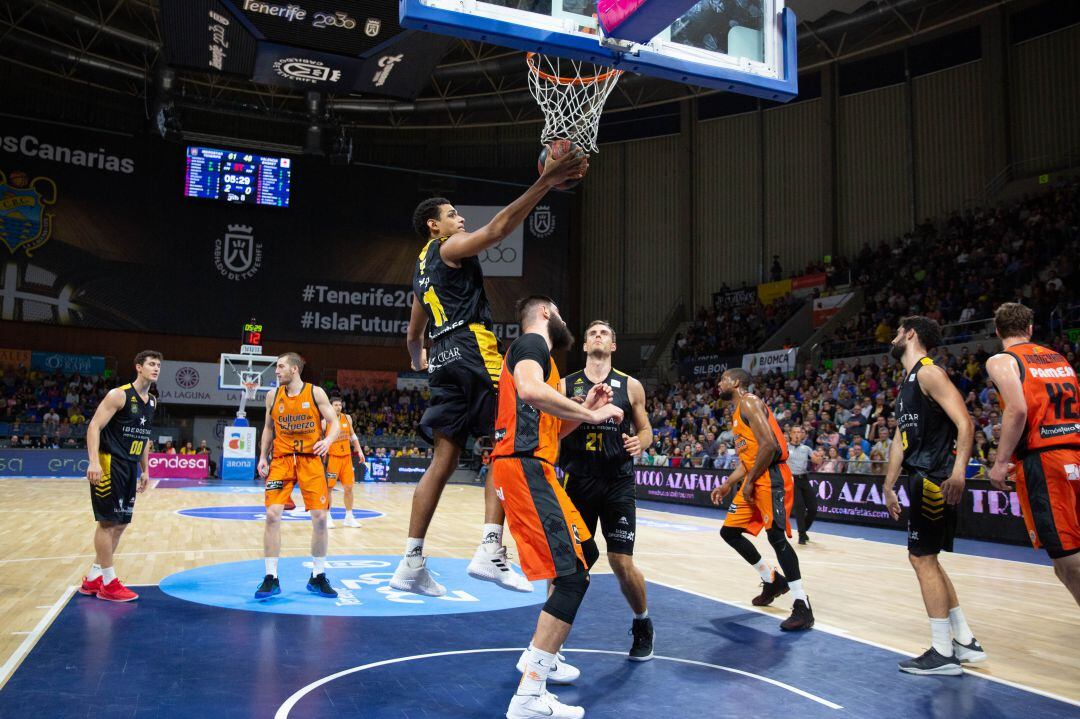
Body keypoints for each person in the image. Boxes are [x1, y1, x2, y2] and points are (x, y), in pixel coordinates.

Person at [391, 147, 588, 597]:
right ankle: (489, 548)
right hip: (473, 350)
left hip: (442, 361)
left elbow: (411, 336)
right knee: (507, 443)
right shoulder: (449, 248)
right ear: (433, 226)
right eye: (452, 214)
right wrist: (545, 183)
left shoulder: (421, 271)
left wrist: (421, 360)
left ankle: (411, 561)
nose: (459, 219)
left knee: (442, 460)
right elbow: (499, 229)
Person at [493, 296, 623, 719]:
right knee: (571, 579)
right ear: (547, 313)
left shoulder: (538, 356)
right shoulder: (532, 345)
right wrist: (598, 417)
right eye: (563, 313)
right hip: (525, 467)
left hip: (538, 467)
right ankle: (529, 694)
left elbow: (552, 424)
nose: (568, 321)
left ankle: (535, 660)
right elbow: (531, 391)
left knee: (584, 554)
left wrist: (586, 410)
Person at [882, 316, 986, 675]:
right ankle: (965, 641)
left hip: (934, 479)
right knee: (929, 559)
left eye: (898, 332)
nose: (894, 338)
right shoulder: (908, 382)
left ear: (910, 334)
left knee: (922, 560)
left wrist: (959, 472)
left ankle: (943, 653)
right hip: (919, 477)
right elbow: (900, 439)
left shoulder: (929, 373)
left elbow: (965, 423)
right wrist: (888, 484)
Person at [559, 320, 655, 661]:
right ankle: (552, 640)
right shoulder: (565, 384)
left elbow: (646, 431)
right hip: (577, 480)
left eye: (604, 334)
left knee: (620, 561)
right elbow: (553, 429)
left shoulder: (631, 386)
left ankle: (642, 622)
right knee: (569, 562)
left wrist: (638, 443)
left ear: (613, 346)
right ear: (584, 346)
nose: (598, 337)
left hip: (617, 480)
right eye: (592, 334)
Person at [984, 302, 1080, 605]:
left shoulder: (1002, 360)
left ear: (998, 331)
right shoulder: (1059, 358)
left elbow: (1017, 409)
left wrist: (1000, 462)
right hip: (1074, 452)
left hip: (1046, 460)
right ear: (1029, 328)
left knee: (1066, 556)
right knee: (1063, 564)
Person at [710, 368, 814, 631]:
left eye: (722, 379)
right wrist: (727, 485)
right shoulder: (736, 412)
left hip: (771, 476)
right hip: (756, 475)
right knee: (729, 532)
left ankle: (802, 605)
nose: (719, 383)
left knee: (776, 537)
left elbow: (769, 445)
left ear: (735, 382)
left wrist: (751, 481)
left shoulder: (749, 402)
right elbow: (749, 459)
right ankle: (772, 579)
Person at [255, 353, 340, 600]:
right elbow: (268, 428)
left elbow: (333, 422)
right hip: (281, 460)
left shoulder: (315, 393)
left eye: (280, 367)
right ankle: (271, 578)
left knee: (321, 518)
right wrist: (262, 456)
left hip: (310, 459)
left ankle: (318, 576)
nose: (276, 371)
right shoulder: (273, 396)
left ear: (294, 369)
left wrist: (328, 440)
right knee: (272, 515)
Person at [79, 350, 161, 602]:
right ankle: (108, 582)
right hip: (109, 462)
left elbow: (145, 437)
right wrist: (94, 461)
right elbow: (94, 426)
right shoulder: (119, 394)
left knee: (121, 523)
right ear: (138, 367)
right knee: (107, 522)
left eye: (159, 365)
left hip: (129, 466)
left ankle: (94, 578)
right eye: (151, 364)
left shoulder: (152, 401)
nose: (156, 368)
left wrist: (145, 469)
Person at [324, 396, 367, 528]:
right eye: (335, 405)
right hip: (332, 458)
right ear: (330, 406)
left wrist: (359, 450)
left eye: (340, 405)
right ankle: (327, 517)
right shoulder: (324, 421)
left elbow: (353, 436)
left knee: (349, 488)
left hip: (346, 458)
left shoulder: (347, 418)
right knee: (329, 488)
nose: (338, 407)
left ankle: (348, 517)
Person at [786, 426, 816, 545]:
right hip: (792, 480)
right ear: (791, 434)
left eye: (799, 432)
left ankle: (804, 531)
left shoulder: (806, 448)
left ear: (802, 434)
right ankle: (801, 535)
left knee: (813, 508)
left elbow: (816, 460)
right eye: (795, 432)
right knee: (800, 508)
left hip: (804, 478)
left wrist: (819, 458)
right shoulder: (786, 447)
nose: (797, 434)